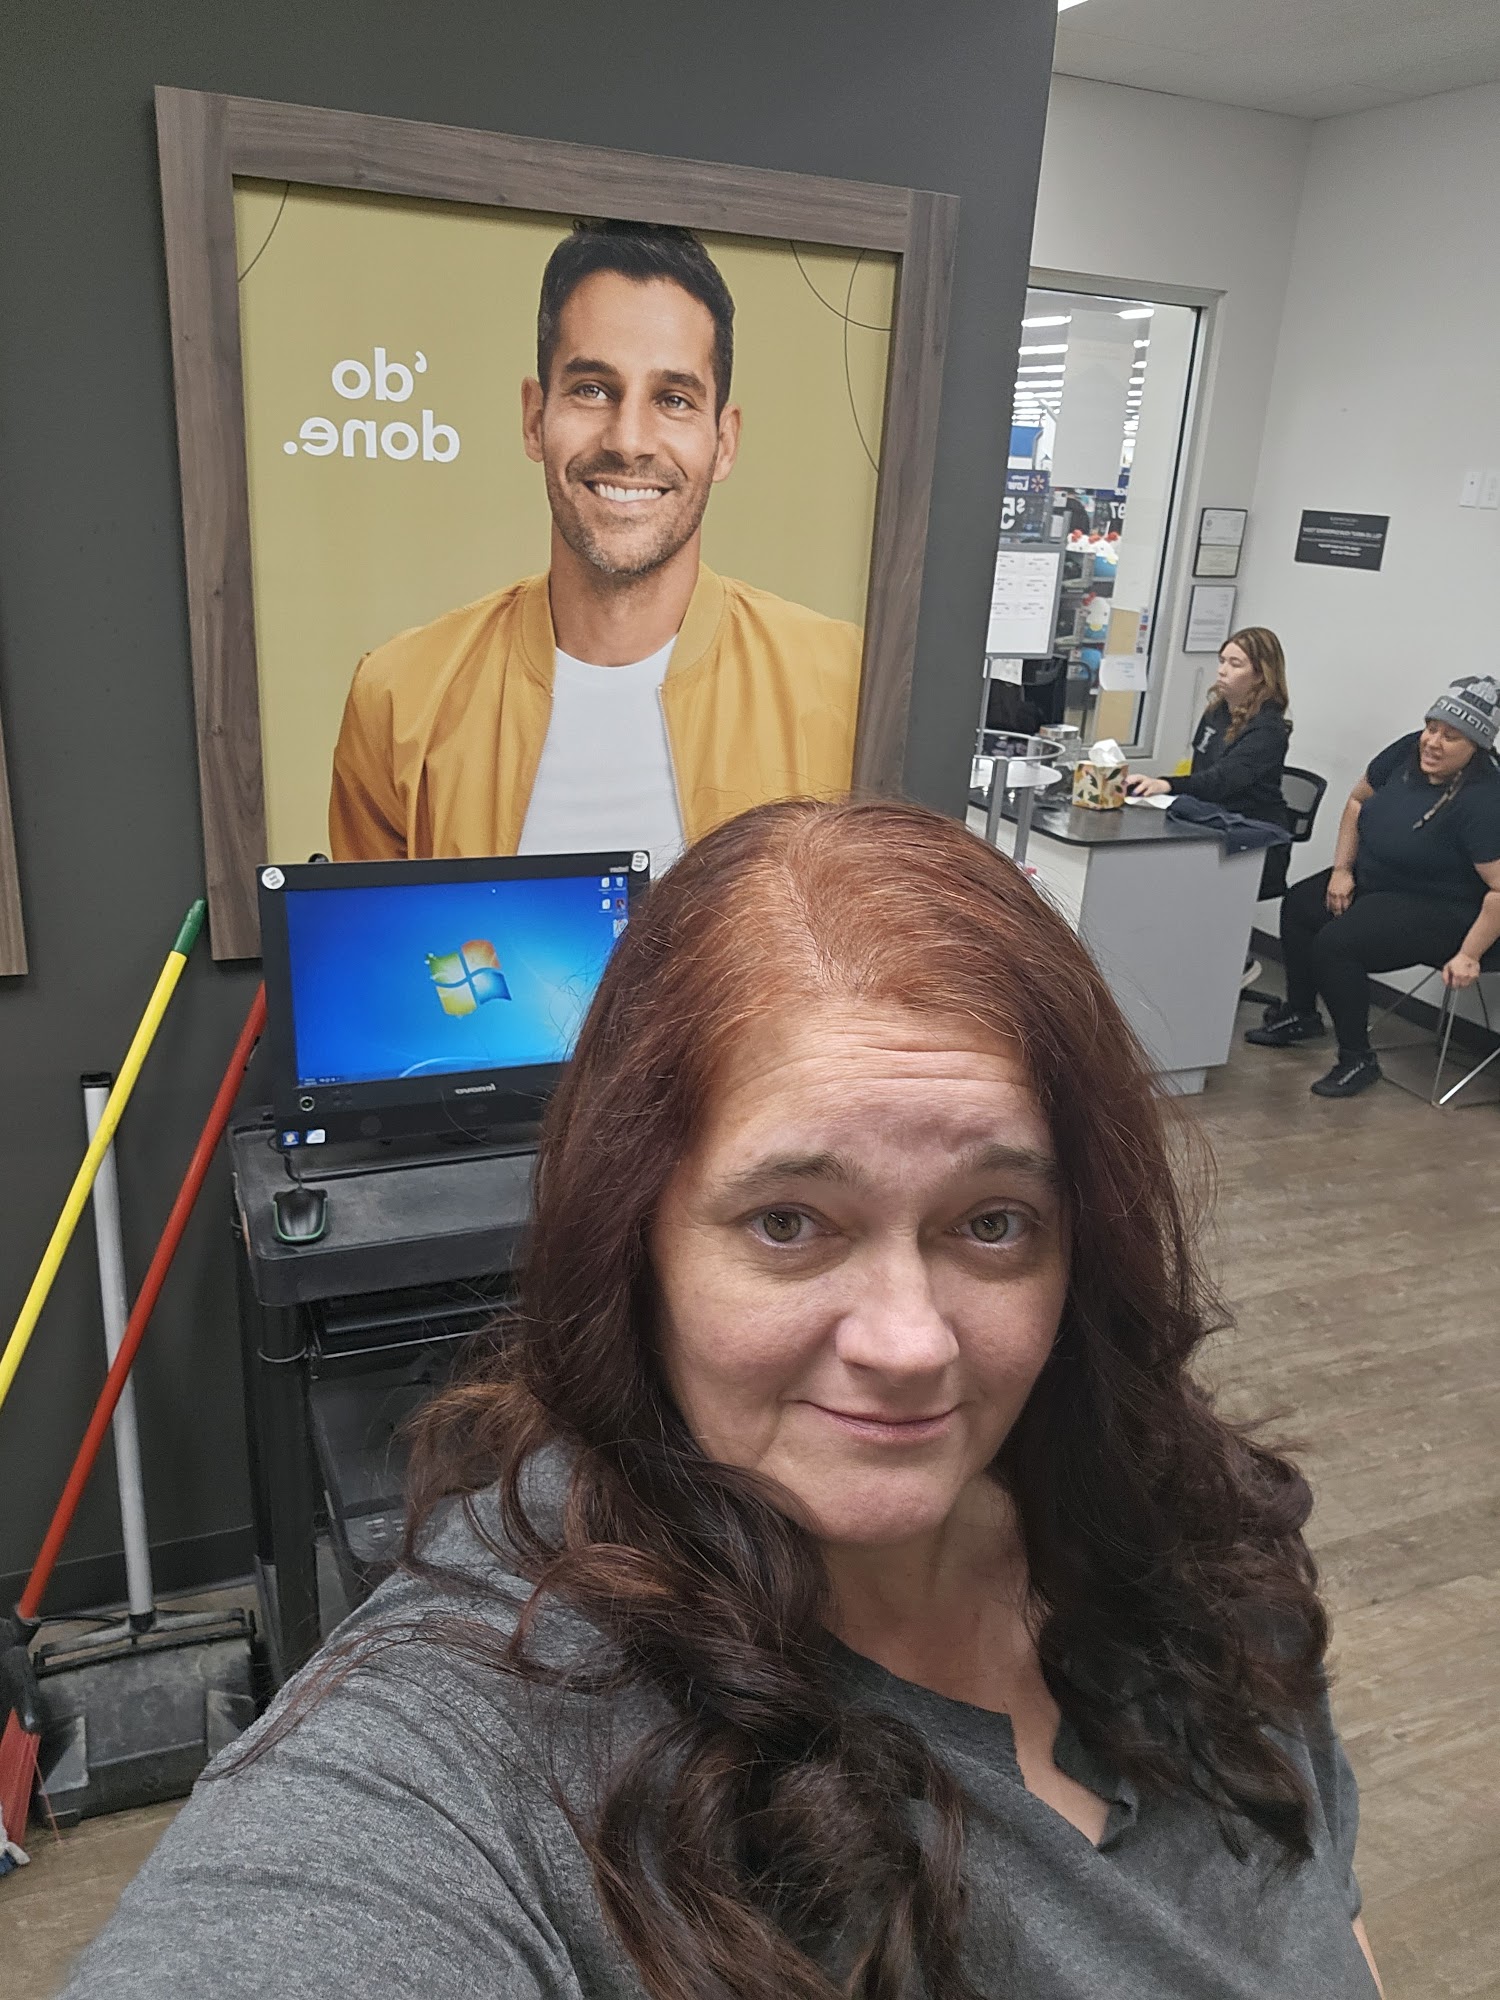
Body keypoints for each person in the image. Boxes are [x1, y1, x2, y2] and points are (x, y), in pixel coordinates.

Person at [65, 802, 1383, 2000]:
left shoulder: (1193, 1531)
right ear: (634, 1236)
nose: (909, 1342)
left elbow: (1326, 1921)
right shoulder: (483, 1733)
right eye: (790, 1221)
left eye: (992, 1221)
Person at [328, 221, 862, 871]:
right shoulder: (398, 697)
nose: (628, 440)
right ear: (535, 418)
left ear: (724, 443)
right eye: (592, 389)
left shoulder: (847, 687)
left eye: (673, 399)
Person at [1247, 675, 1500, 1098]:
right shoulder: (1407, 751)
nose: (1433, 742)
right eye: (1431, 728)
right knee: (1301, 904)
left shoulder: (1485, 800)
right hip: (1377, 880)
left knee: (1337, 944)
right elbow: (1358, 800)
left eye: (1451, 736)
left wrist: (1470, 955)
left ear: (1476, 747)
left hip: (1443, 907)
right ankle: (1301, 1014)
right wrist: (1341, 870)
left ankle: (1357, 1059)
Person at [1126, 626, 1292, 832]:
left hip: (1253, 826)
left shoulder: (1268, 729)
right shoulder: (1217, 711)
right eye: (1222, 661)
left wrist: (1167, 785)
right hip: (1211, 813)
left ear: (1260, 675)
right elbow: (1202, 770)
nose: (1222, 670)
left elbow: (1222, 780)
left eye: (1235, 664)